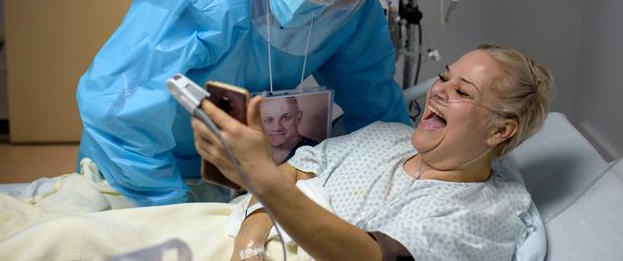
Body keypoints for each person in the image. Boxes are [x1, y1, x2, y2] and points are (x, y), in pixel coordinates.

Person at [76, 0, 410, 206]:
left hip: (246, 167)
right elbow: (121, 108)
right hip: (140, 164)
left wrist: (405, 170)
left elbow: (374, 101)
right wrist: (167, 205)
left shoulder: (351, 4)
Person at [192, 44, 553, 261]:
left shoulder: (490, 211)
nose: (440, 91)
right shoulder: (386, 137)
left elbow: (375, 258)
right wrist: (249, 243)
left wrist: (262, 179)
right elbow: (295, 171)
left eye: (464, 92)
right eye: (444, 78)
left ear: (501, 130)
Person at [260, 97, 319, 164]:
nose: (277, 128)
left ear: (298, 118)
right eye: (269, 120)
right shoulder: (254, 151)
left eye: (285, 118)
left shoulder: (315, 152)